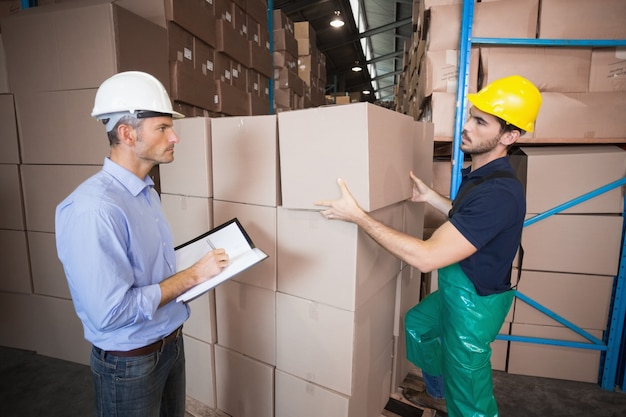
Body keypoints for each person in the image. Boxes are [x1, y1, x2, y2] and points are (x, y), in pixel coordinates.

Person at [316, 75, 541, 417]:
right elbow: (467, 219)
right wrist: (431, 197)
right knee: (418, 325)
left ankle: (455, 398)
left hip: (473, 308)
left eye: (480, 122)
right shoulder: (482, 175)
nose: (466, 126)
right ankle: (437, 392)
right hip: (456, 292)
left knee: (471, 404)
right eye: (469, 116)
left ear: (509, 136)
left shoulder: (499, 193)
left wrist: (358, 216)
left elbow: (426, 257)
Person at [55, 71, 229, 417]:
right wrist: (193, 275)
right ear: (127, 133)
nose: (175, 137)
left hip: (169, 346)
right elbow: (110, 312)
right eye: (163, 128)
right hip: (130, 365)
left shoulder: (145, 193)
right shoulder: (95, 209)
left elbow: (148, 274)